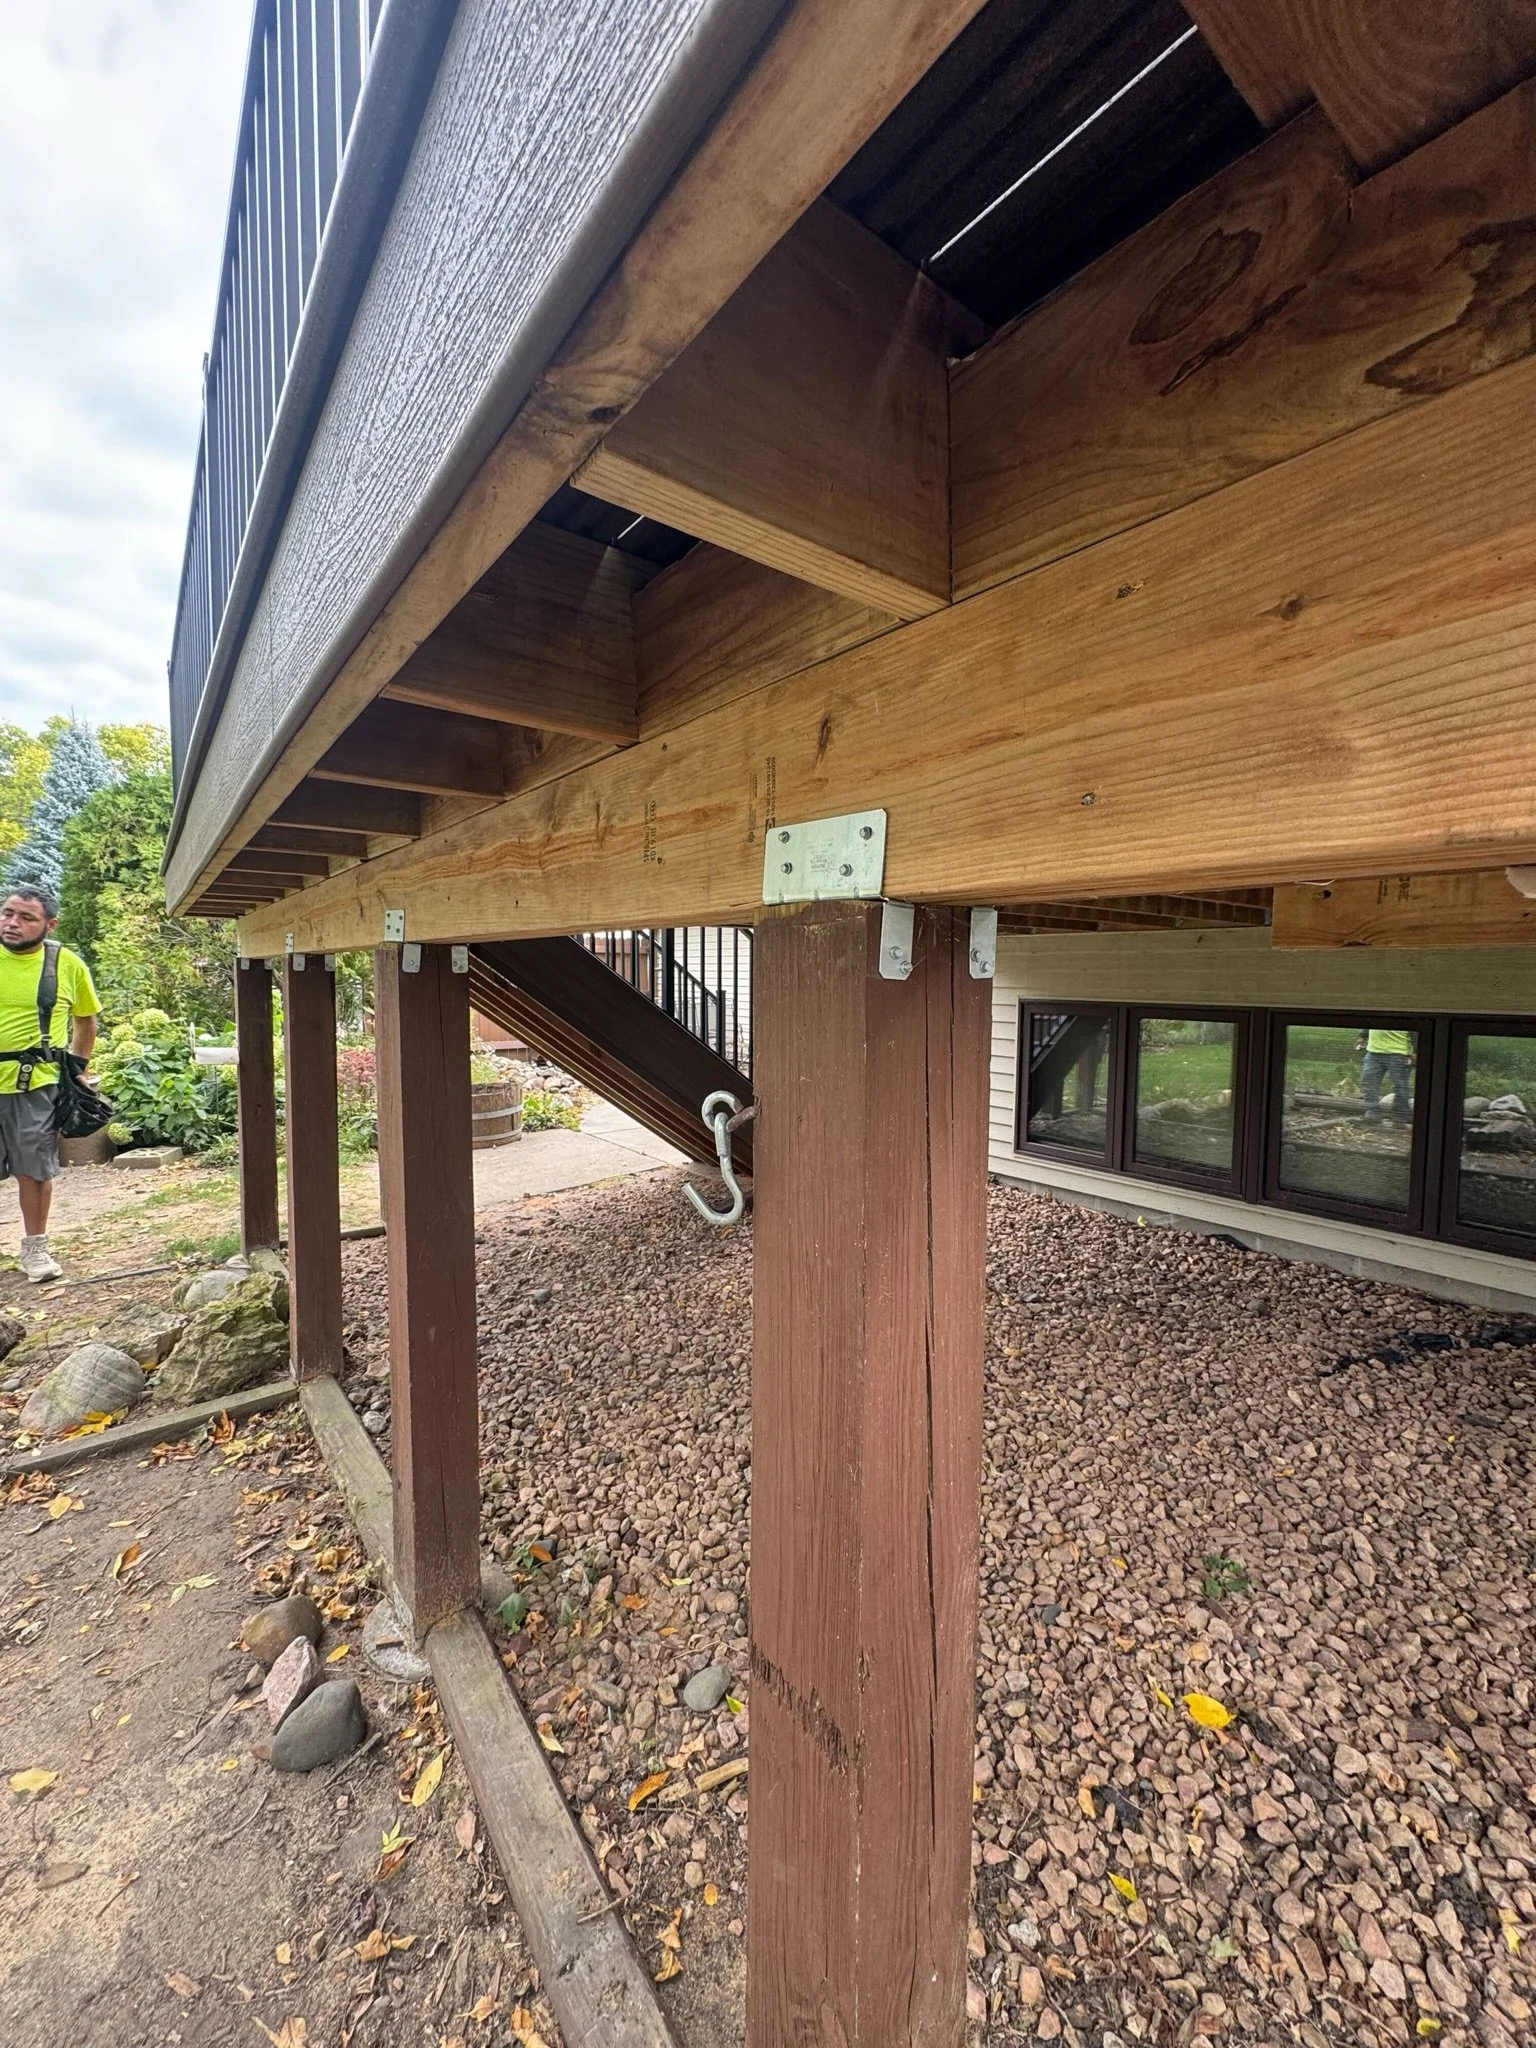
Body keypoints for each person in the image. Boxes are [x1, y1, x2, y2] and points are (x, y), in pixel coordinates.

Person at [0, 884, 101, 1281]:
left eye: (26, 917)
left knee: (35, 1170)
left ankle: (35, 1250)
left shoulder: (65, 964)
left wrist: (77, 1068)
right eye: (8, 913)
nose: (12, 923)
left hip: (36, 1083)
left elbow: (86, 1019)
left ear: (50, 924)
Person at [1356, 1024, 1413, 1128]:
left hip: (1399, 1052)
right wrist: (1362, 1036)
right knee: (1369, 1082)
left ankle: (1401, 1117)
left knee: (1400, 1086)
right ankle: (1372, 1114)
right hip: (1373, 1051)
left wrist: (1416, 1052)